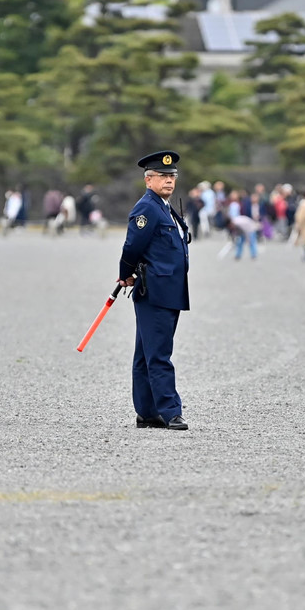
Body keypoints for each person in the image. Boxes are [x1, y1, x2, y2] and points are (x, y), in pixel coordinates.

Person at [117, 150, 190, 431]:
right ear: (148, 180)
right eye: (162, 176)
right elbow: (132, 246)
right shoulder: (147, 208)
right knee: (159, 354)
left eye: (172, 176)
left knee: (146, 353)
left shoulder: (164, 206)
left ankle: (147, 412)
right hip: (155, 290)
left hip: (168, 289)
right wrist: (125, 274)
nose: (169, 180)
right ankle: (171, 411)